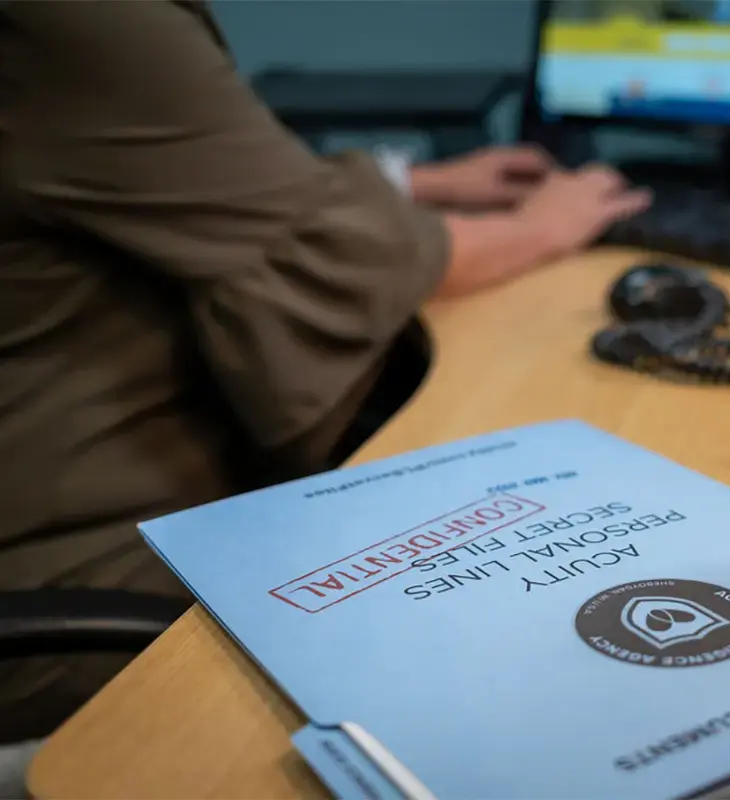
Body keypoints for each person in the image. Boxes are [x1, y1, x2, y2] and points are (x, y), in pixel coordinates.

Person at [0, 0, 651, 742]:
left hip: (105, 518)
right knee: (511, 624)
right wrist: (543, 226)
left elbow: (202, 176)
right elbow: (335, 259)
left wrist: (417, 185)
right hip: (77, 581)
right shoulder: (74, 16)